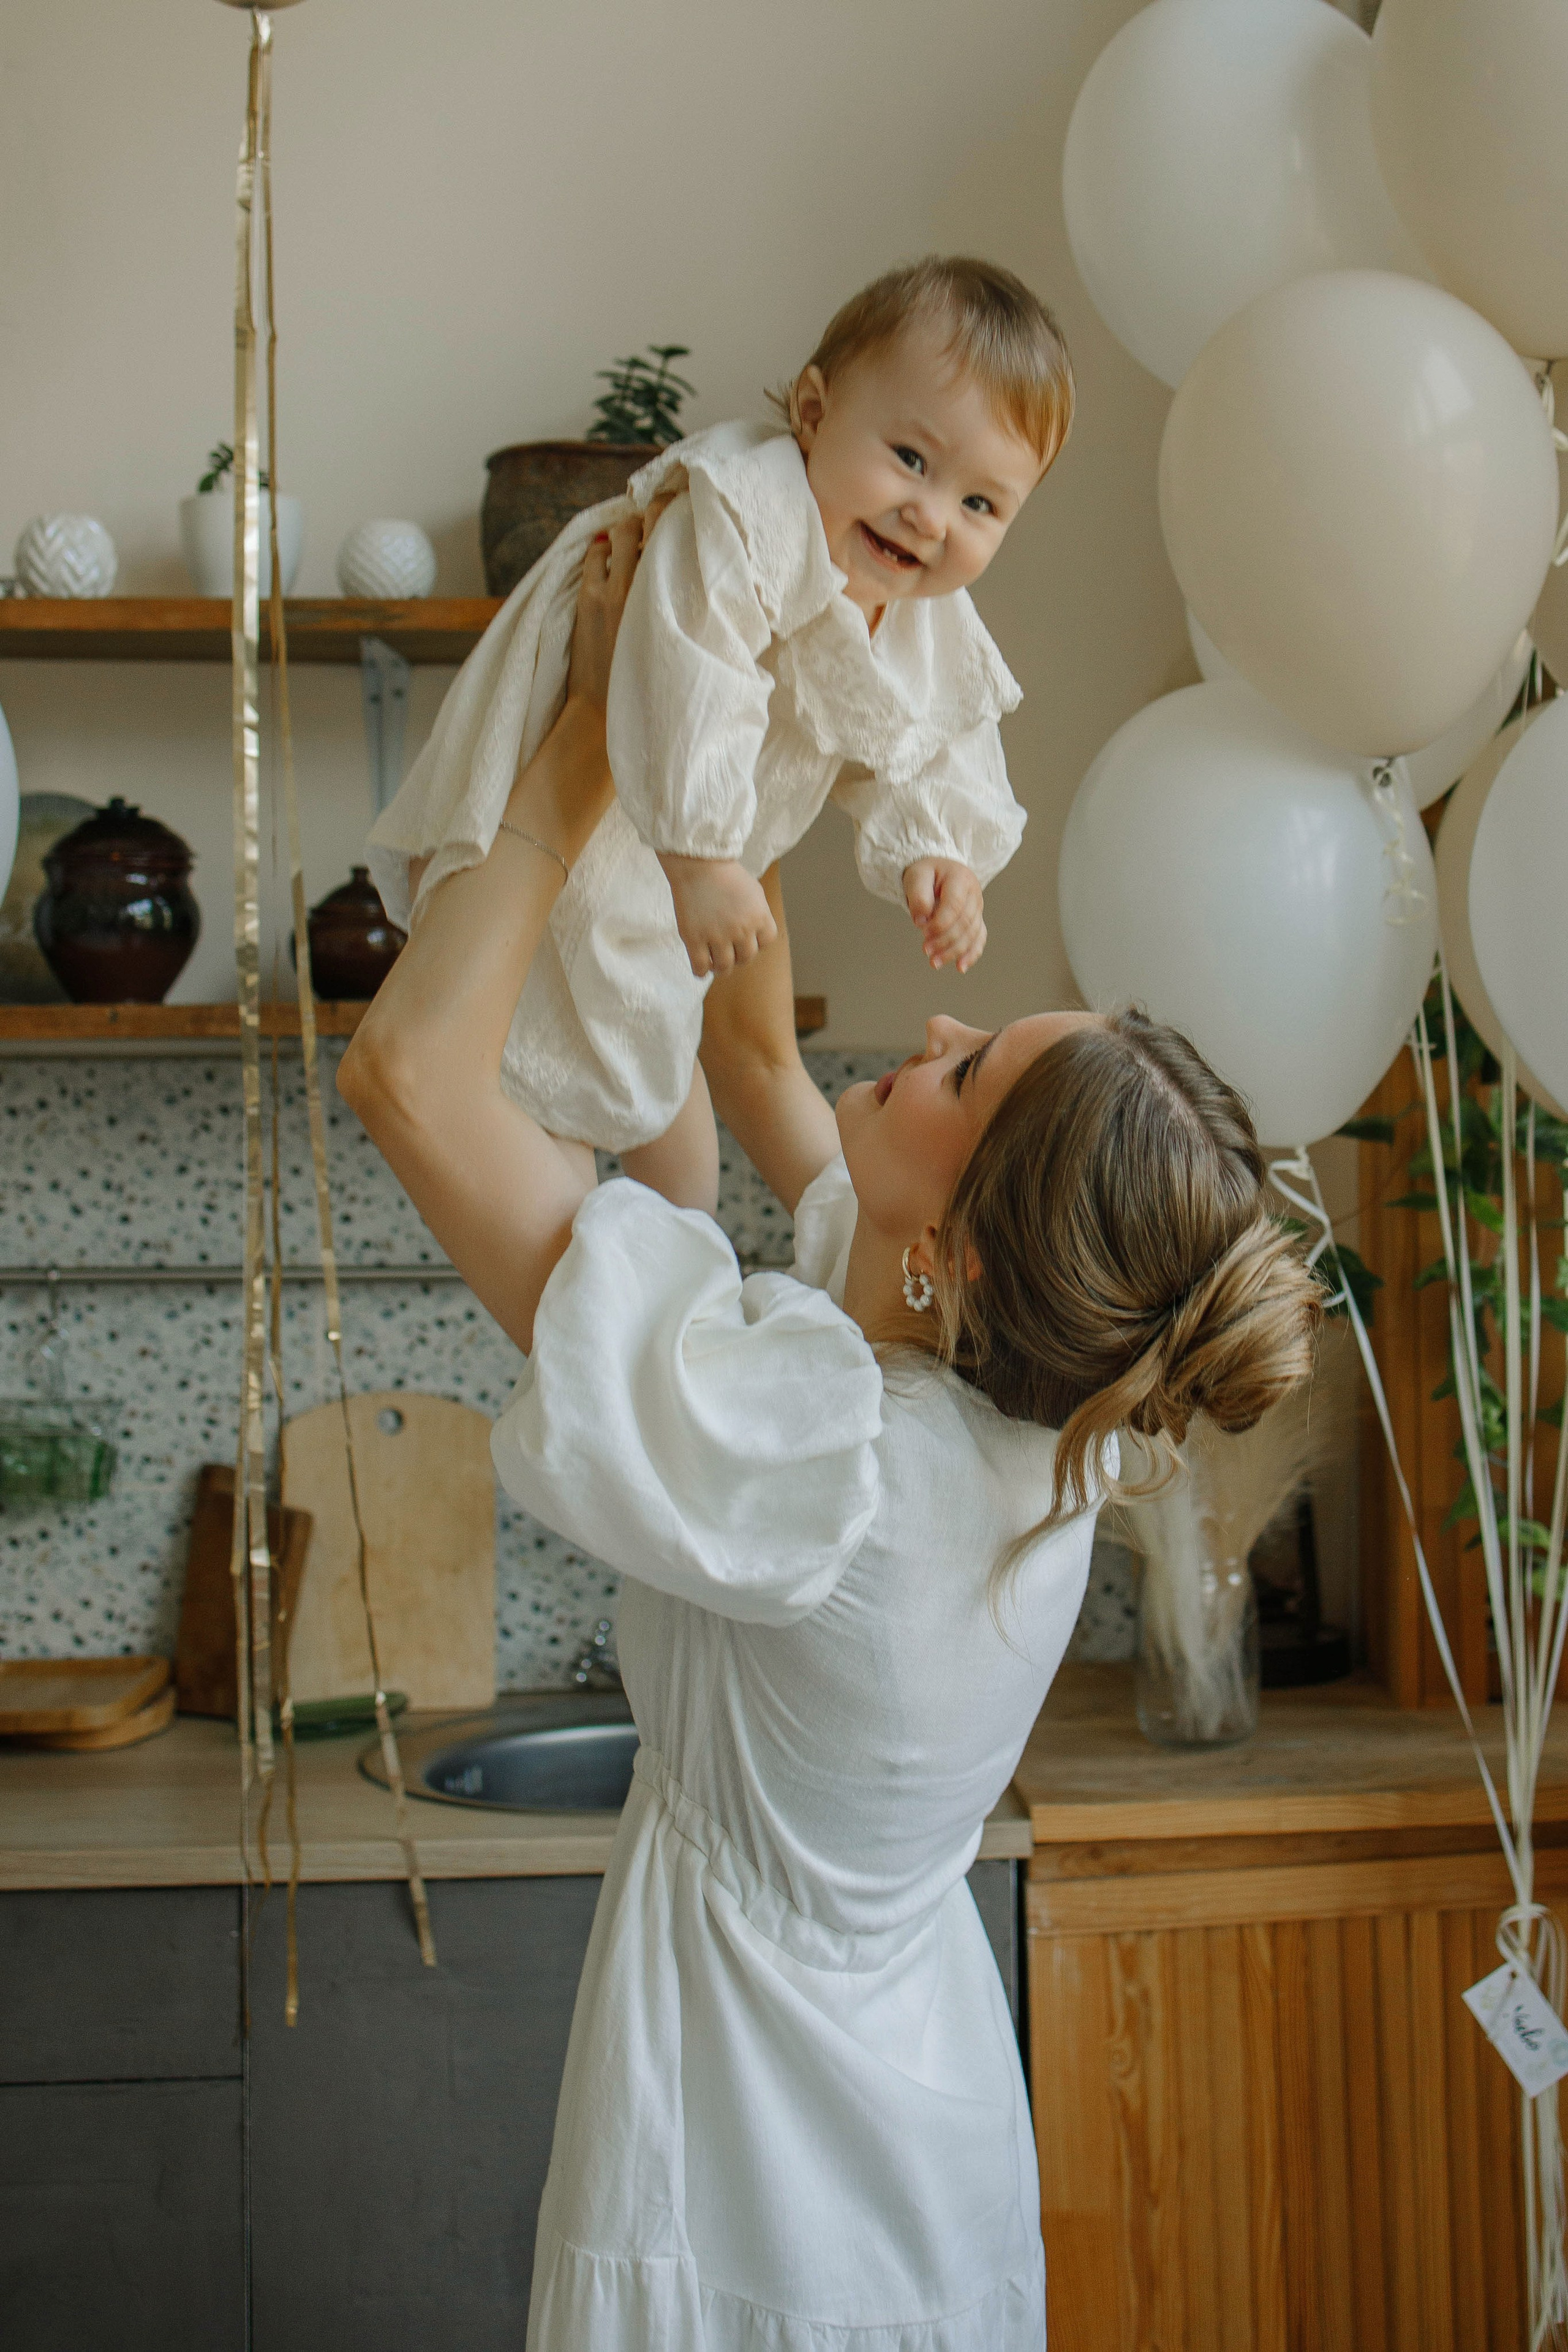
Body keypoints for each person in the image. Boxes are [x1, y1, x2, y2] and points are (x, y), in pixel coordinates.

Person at [339, 518, 1321, 2351]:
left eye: (966, 1067)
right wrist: (722, 719)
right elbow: (755, 1064)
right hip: (926, 2127)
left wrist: (586, 744)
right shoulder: (1048, 1417)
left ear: (958, 1250)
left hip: (742, 2163)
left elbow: (405, 1079)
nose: (931, 1023)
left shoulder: (824, 1460)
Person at [366, 257, 1074, 1214]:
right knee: (536, 1077)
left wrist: (941, 854)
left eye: (981, 504)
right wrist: (701, 860)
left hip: (661, 857)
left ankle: (686, 1265)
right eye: (911, 458)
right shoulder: (741, 513)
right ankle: (589, 1274)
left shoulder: (920, 604)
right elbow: (687, 670)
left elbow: (929, 728)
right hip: (577, 814)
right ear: (814, 413)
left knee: (668, 1107)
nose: (931, 516)